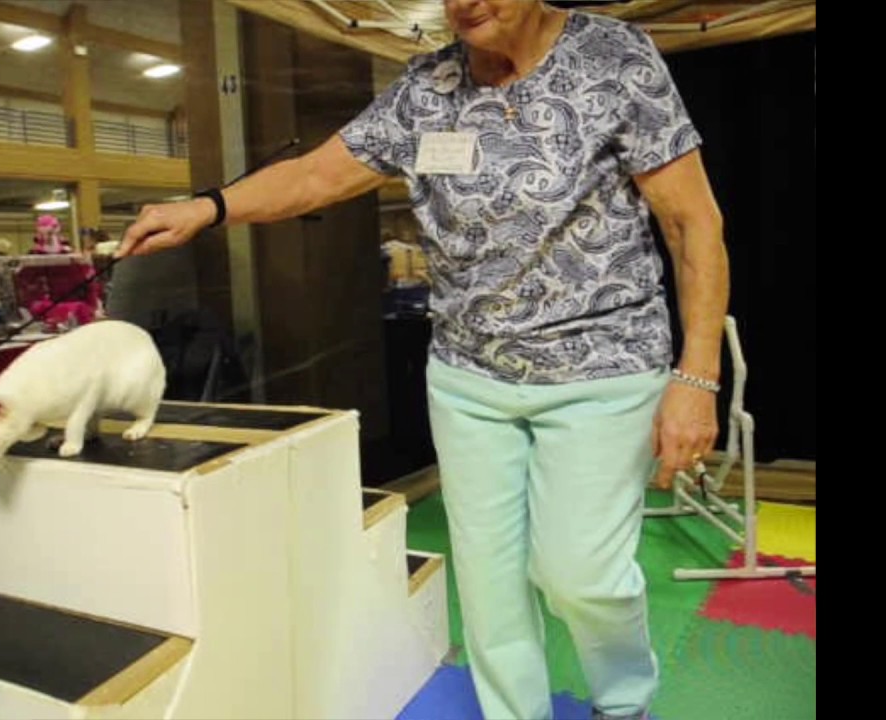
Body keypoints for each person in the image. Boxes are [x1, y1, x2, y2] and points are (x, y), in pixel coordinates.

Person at [117, 1, 727, 718]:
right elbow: (315, 176)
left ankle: (624, 702)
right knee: (490, 585)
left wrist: (697, 377)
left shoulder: (613, 56)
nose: (464, 2)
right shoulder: (426, 88)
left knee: (581, 575)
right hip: (470, 378)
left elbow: (693, 223)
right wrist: (207, 207)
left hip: (603, 365)